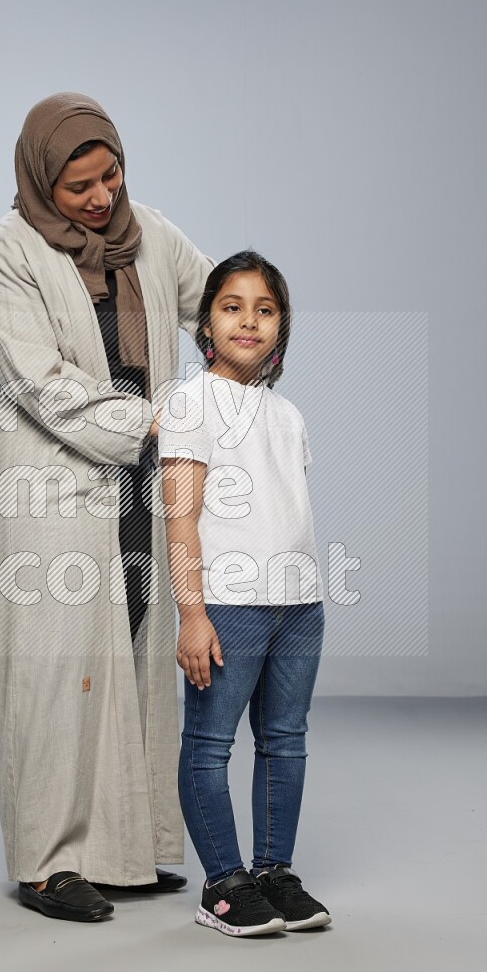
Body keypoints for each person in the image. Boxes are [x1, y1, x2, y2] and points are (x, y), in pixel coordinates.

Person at [0, 92, 214, 922]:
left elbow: (211, 301)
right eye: (80, 186)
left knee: (138, 651)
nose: (102, 197)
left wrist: (249, 328)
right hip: (52, 485)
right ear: (43, 181)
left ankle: (123, 850)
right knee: (54, 668)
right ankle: (46, 862)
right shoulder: (7, 254)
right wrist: (156, 419)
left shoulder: (146, 231)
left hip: (141, 483)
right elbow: (37, 380)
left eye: (110, 174)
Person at [158, 249, 331, 937]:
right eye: (233, 307)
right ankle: (223, 883)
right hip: (228, 604)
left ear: (281, 326)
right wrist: (192, 613)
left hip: (299, 604)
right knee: (209, 743)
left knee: (285, 740)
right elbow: (180, 515)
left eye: (264, 310)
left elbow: (284, 508)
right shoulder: (190, 401)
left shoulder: (286, 413)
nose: (249, 321)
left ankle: (272, 872)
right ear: (207, 322)